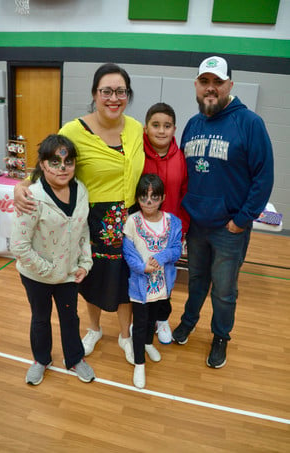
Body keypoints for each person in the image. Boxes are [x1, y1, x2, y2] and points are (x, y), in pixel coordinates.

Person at [14, 63, 144, 365]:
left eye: (120, 91)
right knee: (89, 277)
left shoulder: (136, 128)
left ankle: (125, 335)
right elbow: (49, 161)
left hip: (129, 218)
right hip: (93, 219)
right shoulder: (74, 130)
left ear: (128, 94)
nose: (114, 98)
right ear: (94, 94)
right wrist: (23, 185)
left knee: (126, 279)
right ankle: (94, 328)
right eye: (106, 91)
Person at [172, 56, 274, 368]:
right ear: (197, 86)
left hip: (229, 229)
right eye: (205, 82)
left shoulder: (250, 123)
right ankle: (189, 321)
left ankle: (220, 336)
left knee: (224, 291)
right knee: (197, 281)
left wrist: (241, 221)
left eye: (218, 82)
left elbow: (264, 177)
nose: (211, 88)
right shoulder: (193, 124)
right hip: (198, 226)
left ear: (230, 85)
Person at [10, 134, 95, 385]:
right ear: (43, 164)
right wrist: (48, 269)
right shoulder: (31, 197)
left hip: (69, 274)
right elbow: (19, 246)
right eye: (55, 162)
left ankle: (75, 359)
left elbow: (83, 230)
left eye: (68, 162)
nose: (62, 168)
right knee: (40, 318)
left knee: (71, 317)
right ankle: (41, 359)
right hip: (37, 275)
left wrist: (85, 264)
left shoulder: (81, 191)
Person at [123, 174, 182, 388]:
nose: (149, 202)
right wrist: (142, 267)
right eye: (144, 197)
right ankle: (139, 363)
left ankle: (148, 344)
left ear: (162, 197)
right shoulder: (132, 222)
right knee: (139, 324)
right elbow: (128, 253)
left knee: (153, 319)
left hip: (163, 285)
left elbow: (176, 250)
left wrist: (159, 258)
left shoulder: (173, 222)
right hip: (140, 286)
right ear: (138, 197)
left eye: (154, 197)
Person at [142, 102, 189, 344]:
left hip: (169, 234)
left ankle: (162, 319)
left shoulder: (181, 158)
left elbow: (184, 193)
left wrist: (182, 231)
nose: (161, 131)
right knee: (143, 277)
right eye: (156, 125)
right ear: (146, 127)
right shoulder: (137, 154)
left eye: (167, 126)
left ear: (174, 129)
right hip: (142, 232)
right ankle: (142, 321)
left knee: (166, 279)